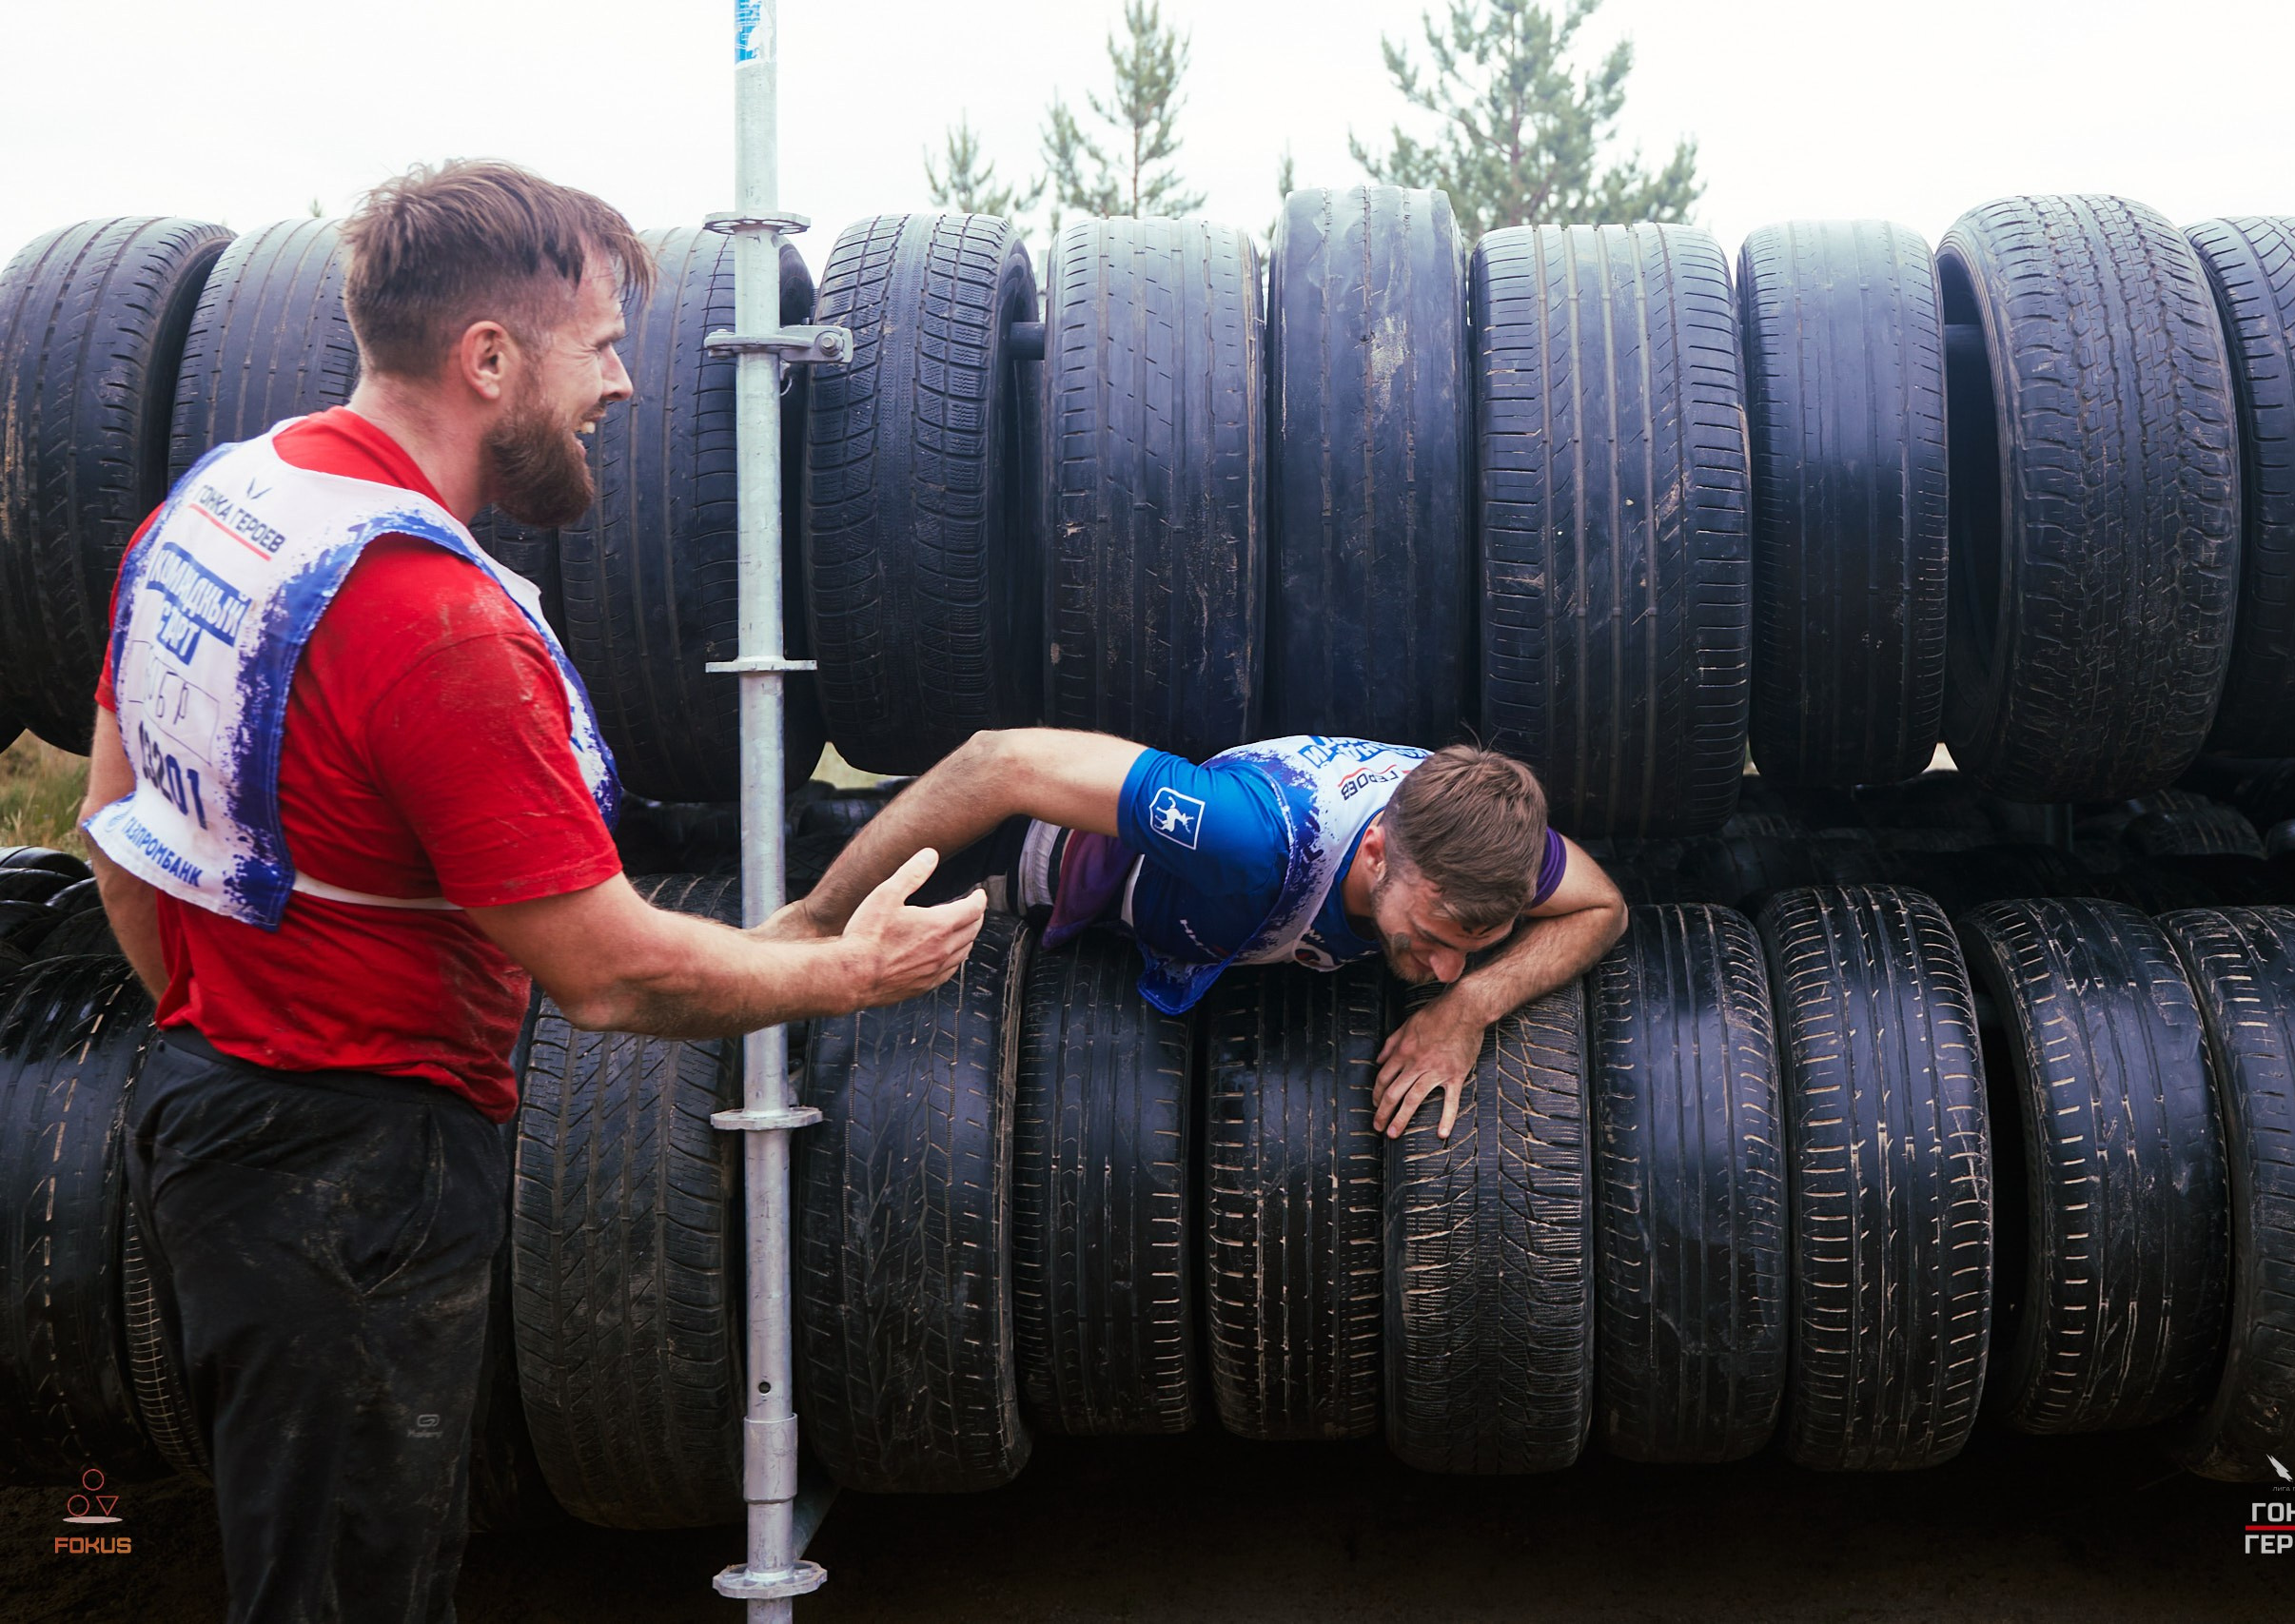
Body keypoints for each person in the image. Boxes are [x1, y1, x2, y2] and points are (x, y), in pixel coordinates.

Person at [77, 160, 982, 1624]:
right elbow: (610, 973)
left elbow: (117, 816)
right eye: (604, 345)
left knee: (300, 1557)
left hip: (208, 1113)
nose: (623, 385)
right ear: (487, 358)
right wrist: (851, 972)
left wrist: (210, 1020)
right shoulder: (436, 627)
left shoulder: (223, 505)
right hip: (355, 1172)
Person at [787, 729, 1627, 1140]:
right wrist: (821, 921)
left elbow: (1604, 906)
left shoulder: (1485, 846)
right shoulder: (1258, 840)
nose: (1444, 966)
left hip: (1191, 904)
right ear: (1374, 853)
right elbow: (1001, 762)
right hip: (1008, 863)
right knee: (799, 883)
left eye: (1471, 944)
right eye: (1436, 935)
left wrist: (1474, 1003)